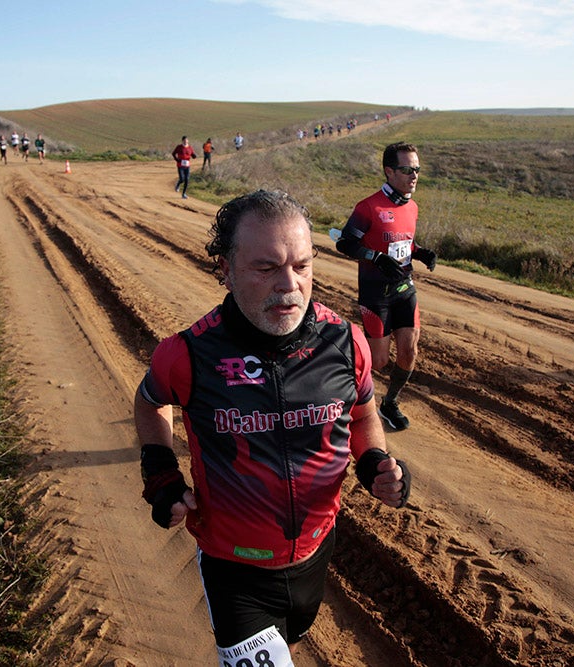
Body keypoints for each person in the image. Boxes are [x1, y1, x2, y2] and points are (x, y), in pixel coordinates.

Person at [134, 190, 410, 667]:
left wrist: (373, 462)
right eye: (266, 268)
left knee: (291, 644)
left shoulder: (346, 342)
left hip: (316, 554)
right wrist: (159, 472)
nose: (289, 286)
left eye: (301, 266)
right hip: (234, 569)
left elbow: (364, 413)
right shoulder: (188, 353)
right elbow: (150, 400)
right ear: (226, 269)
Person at [334, 142, 437, 431]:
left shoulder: (412, 207)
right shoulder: (368, 207)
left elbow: (402, 240)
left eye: (417, 169)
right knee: (378, 361)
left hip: (405, 289)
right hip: (375, 294)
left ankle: (389, 403)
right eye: (407, 169)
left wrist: (420, 252)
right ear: (389, 171)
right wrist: (375, 258)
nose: (414, 175)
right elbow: (345, 243)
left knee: (409, 351)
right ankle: (337, 371)